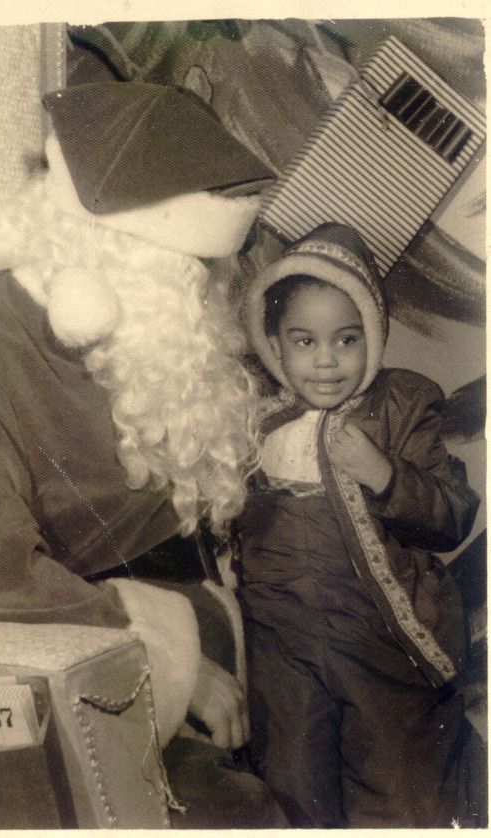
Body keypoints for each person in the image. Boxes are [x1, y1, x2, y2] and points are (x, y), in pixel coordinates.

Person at [0, 79, 288, 828]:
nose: (208, 299)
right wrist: (176, 668)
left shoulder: (97, 326)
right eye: (196, 275)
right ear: (117, 252)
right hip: (63, 681)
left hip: (179, 650)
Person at [236, 222, 482, 828]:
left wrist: (384, 474)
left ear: (372, 335)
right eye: (304, 341)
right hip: (281, 640)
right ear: (275, 343)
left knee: (401, 787)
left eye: (346, 340)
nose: (325, 361)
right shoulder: (254, 417)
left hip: (382, 641)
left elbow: (454, 514)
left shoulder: (403, 402)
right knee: (294, 786)